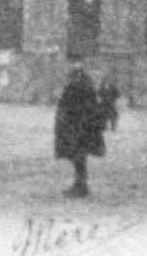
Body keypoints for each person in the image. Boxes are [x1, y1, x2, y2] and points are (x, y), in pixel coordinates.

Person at [54, 61, 106, 198]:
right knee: (78, 159)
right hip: (79, 128)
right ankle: (80, 185)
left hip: (78, 129)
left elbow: (76, 108)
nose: (70, 78)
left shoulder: (79, 87)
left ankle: (81, 186)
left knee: (79, 158)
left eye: (72, 75)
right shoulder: (84, 86)